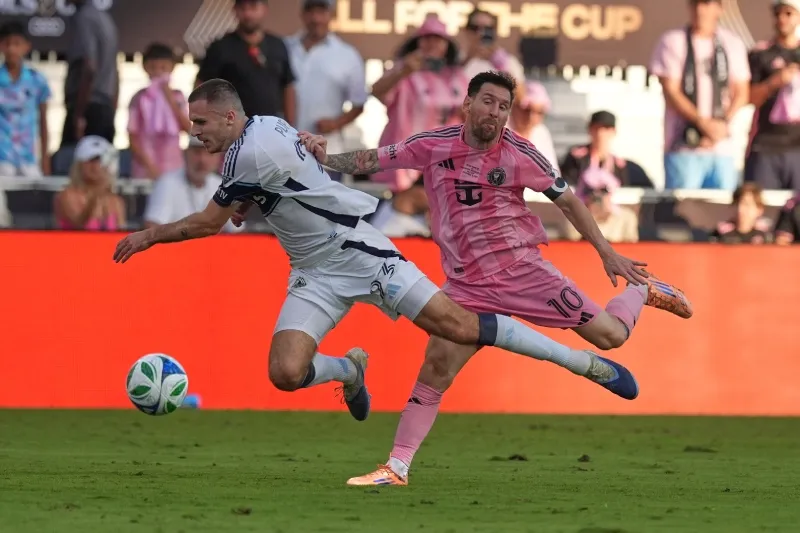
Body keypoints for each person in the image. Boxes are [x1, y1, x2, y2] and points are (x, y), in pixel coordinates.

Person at [114, 79, 642, 426]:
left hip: (360, 250)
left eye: (201, 124)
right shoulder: (265, 128)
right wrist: (252, 201)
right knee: (285, 372)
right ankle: (348, 371)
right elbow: (274, 183)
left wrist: (147, 236)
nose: (195, 133)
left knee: (458, 326)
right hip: (313, 271)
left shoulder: (250, 150)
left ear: (229, 119)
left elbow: (210, 221)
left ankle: (581, 363)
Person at [299, 71, 693, 486]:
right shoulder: (432, 145)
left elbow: (569, 201)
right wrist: (324, 158)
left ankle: (640, 290)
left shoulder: (521, 153)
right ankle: (397, 467)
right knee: (435, 368)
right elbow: (371, 160)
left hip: (524, 272)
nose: (496, 112)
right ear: (467, 104)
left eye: (504, 106)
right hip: (467, 285)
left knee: (611, 336)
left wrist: (606, 252)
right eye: (488, 101)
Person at [649, 0, 750, 190]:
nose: (700, 10)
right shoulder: (673, 41)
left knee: (722, 211)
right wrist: (702, 123)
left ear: (719, 8)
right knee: (682, 212)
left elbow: (742, 93)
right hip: (684, 148)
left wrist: (721, 124)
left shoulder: (733, 43)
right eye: (696, 3)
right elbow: (671, 91)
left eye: (707, 3)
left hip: (722, 149)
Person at [370, 14, 469, 192]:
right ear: (418, 43)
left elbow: (470, 114)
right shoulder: (404, 71)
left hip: (445, 165)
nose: (432, 43)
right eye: (427, 38)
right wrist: (402, 71)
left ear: (447, 46)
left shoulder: (458, 77)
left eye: (438, 39)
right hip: (405, 166)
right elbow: (376, 91)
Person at [284, 0, 367, 178]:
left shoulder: (347, 55)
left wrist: (335, 123)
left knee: (324, 206)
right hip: (284, 150)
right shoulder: (285, 48)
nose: (316, 19)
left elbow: (359, 103)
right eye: (311, 12)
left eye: (321, 12)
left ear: (331, 15)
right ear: (302, 15)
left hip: (326, 154)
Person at [196, 0, 295, 124]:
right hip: (232, 129)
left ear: (264, 9)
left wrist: (290, 126)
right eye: (242, 8)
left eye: (253, 7)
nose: (247, 14)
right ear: (235, 10)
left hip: (272, 127)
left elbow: (288, 86)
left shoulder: (278, 45)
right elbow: (202, 87)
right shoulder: (220, 47)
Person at [745, 0, 800, 191]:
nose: (782, 19)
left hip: (798, 148)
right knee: (764, 211)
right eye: (778, 14)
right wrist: (774, 83)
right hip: (766, 146)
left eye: (788, 13)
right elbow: (748, 98)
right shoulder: (761, 54)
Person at [143, 136, 242, 233]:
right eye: (197, 153)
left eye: (209, 154)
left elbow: (238, 232)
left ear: (218, 159)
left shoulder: (224, 187)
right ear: (185, 154)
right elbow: (152, 228)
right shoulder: (167, 183)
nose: (202, 160)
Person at [128, 43, 192, 179]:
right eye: (153, 67)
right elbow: (132, 136)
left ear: (172, 67)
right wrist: (149, 166)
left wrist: (169, 98)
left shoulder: (178, 97)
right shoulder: (140, 98)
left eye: (163, 67)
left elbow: (188, 128)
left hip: (173, 167)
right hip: (146, 168)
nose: (157, 72)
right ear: (145, 67)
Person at [61, 0, 119, 147]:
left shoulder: (83, 17)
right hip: (105, 108)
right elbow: (116, 72)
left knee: (73, 164)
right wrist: (112, 110)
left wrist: (79, 115)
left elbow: (88, 66)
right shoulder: (106, 18)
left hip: (88, 108)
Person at [0, 22, 51, 178]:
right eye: (7, 44)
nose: (11, 49)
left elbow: (43, 121)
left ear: (26, 47)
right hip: (2, 158)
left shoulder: (36, 80)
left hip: (29, 158)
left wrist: (45, 160)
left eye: (16, 44)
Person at [561, 111, 653, 188]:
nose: (600, 133)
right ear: (590, 130)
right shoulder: (576, 159)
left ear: (613, 132)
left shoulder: (621, 166)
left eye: (606, 129)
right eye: (596, 128)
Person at [54, 135, 125, 231]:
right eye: (91, 160)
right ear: (79, 164)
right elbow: (78, 225)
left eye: (100, 161)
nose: (95, 166)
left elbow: (121, 233)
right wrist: (96, 197)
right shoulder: (67, 196)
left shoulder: (115, 201)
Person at [562, 168, 640, 243]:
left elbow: (631, 249)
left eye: (603, 190)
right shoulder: (574, 218)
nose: (597, 194)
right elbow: (571, 243)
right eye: (590, 190)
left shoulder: (626, 217)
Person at [507, 80, 558, 171]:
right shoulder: (499, 130)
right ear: (514, 106)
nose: (531, 118)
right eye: (526, 110)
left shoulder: (541, 132)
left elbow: (552, 172)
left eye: (539, 112)